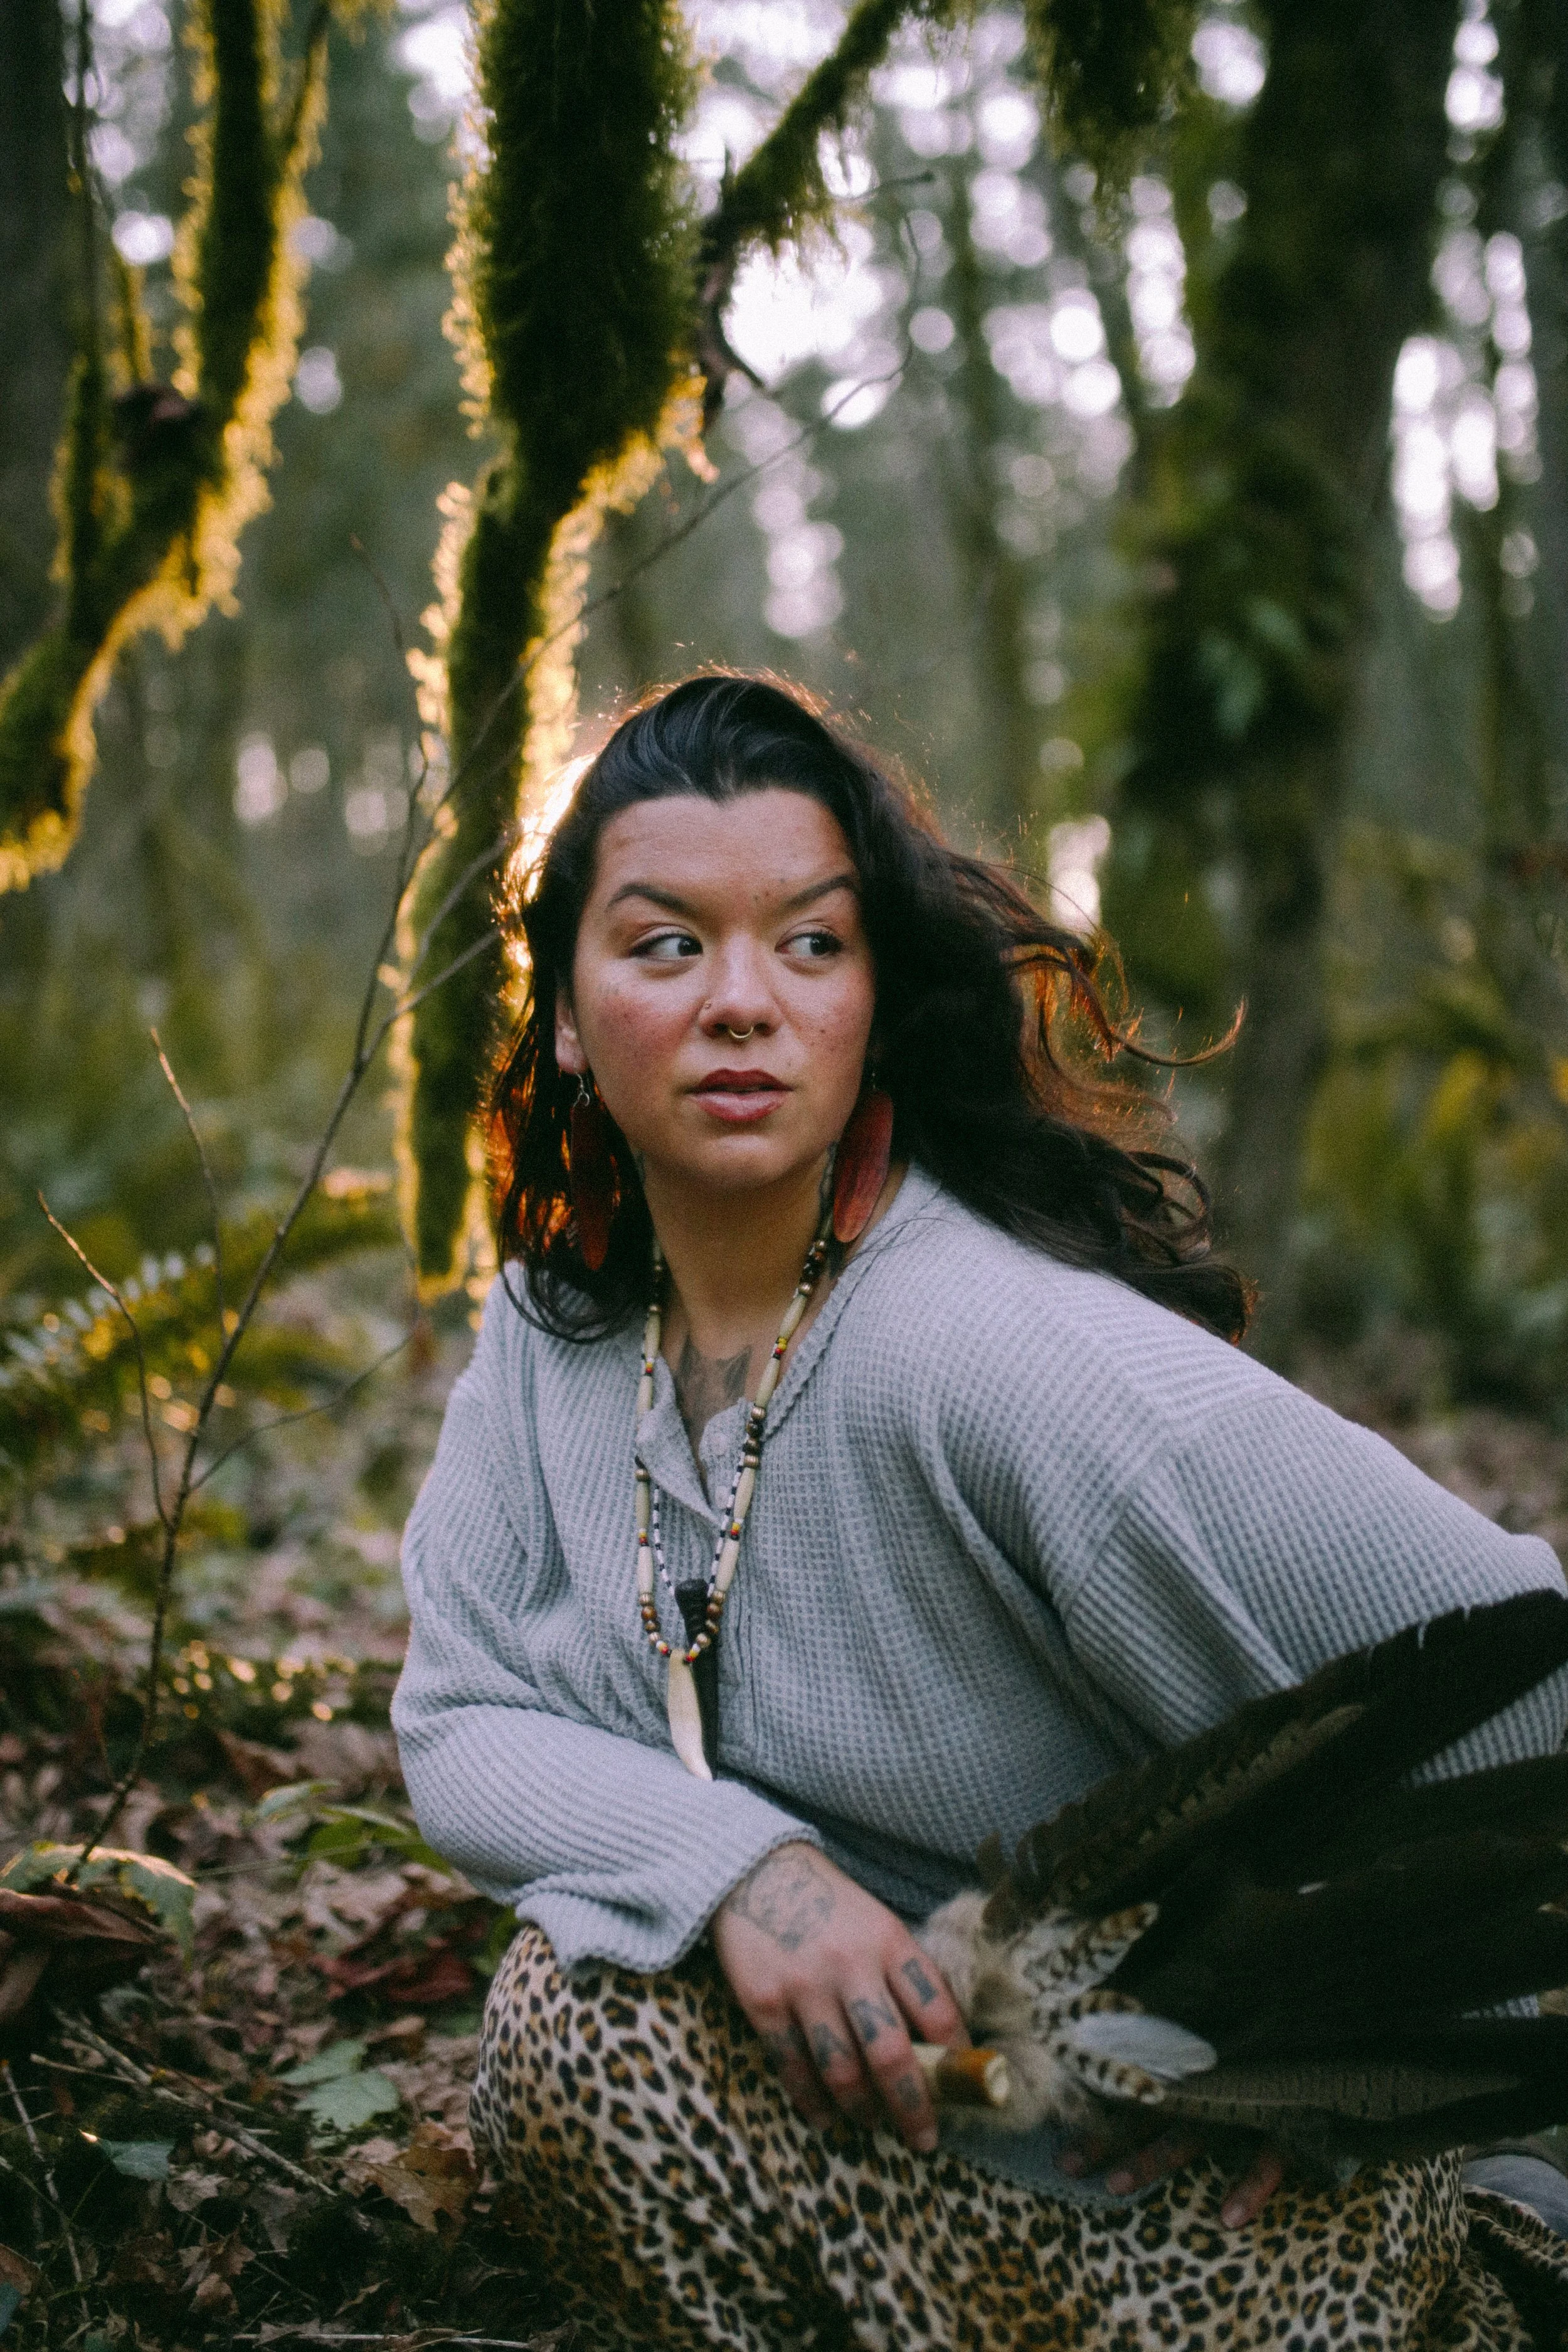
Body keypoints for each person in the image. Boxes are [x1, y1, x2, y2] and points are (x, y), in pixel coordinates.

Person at [393, 673, 1568, 2349]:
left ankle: (1491, 2260)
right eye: (664, 945)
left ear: (876, 995)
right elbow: (459, 1708)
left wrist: (1369, 2050)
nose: (741, 1002)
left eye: (809, 944)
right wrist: (745, 1872)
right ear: (570, 1010)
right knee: (570, 2027)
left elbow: (1521, 1663)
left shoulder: (998, 1358)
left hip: (1193, 2193)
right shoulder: (555, 1331)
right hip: (895, 2118)